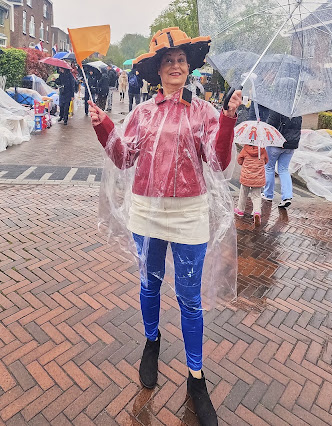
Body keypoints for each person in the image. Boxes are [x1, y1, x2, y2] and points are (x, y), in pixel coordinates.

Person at [88, 27, 242, 426]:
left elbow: (218, 163)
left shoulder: (205, 111)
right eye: (168, 60)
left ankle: (196, 377)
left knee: (190, 297)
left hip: (190, 211)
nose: (176, 65)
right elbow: (123, 159)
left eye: (181, 60)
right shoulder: (142, 113)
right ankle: (152, 342)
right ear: (158, 69)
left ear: (189, 67)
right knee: (149, 283)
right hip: (146, 210)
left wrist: (226, 120)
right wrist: (103, 125)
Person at [248, 102, 301, 208]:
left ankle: (268, 194)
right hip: (291, 145)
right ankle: (287, 196)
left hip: (276, 144)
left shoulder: (278, 108)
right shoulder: (297, 111)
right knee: (284, 169)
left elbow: (269, 125)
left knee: (269, 168)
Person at [235, 145, 268, 225]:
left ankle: (240, 210)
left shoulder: (245, 149)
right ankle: (257, 212)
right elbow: (266, 161)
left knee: (243, 193)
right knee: (256, 196)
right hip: (258, 178)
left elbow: (239, 160)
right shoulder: (262, 150)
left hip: (246, 177)